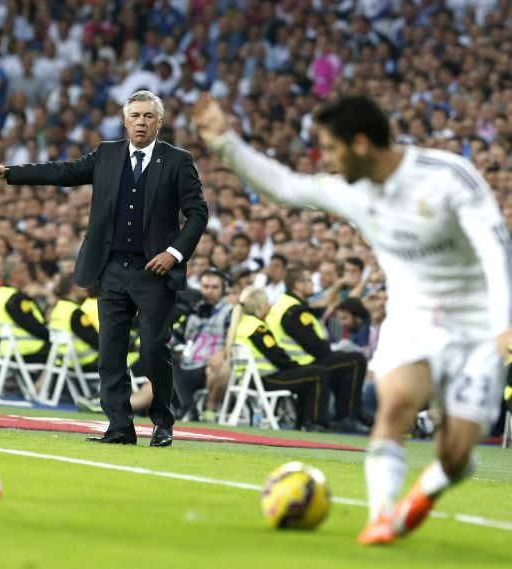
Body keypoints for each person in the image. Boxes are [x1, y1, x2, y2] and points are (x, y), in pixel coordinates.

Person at [194, 93, 512, 545]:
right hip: (413, 319)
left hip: (478, 327)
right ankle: (383, 517)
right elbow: (284, 186)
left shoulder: (447, 177)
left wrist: (503, 324)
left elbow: (494, 247)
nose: (326, 158)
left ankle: (429, 488)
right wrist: (225, 142)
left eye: (331, 147)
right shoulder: (352, 190)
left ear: (361, 144)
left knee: (456, 454)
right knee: (397, 404)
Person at [0, 89, 208, 447]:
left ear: (160, 122)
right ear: (125, 121)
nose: (141, 122)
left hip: (154, 272)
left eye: (148, 116)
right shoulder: (107, 154)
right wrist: (9, 173)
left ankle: (162, 422)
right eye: (135, 116)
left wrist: (174, 253)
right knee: (110, 351)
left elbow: (197, 213)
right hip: (111, 269)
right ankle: (120, 427)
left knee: (153, 349)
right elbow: (63, 171)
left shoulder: (177, 160)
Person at [266, 267, 368, 433]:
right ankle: (347, 417)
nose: (313, 285)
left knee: (343, 359)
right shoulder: (295, 310)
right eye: (309, 281)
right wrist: (332, 353)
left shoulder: (285, 303)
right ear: (298, 285)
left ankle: (345, 414)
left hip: (295, 361)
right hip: (300, 363)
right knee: (356, 361)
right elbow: (314, 346)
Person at [227, 286, 331, 431]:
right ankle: (314, 422)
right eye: (267, 302)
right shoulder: (256, 327)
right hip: (265, 379)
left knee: (310, 374)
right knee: (318, 373)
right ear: (260, 305)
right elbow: (277, 357)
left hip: (249, 379)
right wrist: (298, 367)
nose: (269, 306)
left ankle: (303, 422)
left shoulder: (242, 324)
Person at [172, 268, 233, 421]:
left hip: (210, 367)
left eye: (215, 287)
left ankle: (204, 410)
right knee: (163, 358)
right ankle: (118, 406)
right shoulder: (191, 312)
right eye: (206, 287)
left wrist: (223, 353)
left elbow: (233, 341)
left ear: (223, 289)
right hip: (186, 365)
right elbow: (175, 339)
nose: (209, 291)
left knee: (220, 367)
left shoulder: (230, 312)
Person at [0, 255, 50, 367]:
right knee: (64, 353)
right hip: (27, 349)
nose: (27, 274)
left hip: (8, 350)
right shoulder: (16, 298)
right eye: (23, 271)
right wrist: (50, 336)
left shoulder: (1, 293)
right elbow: (32, 325)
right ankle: (43, 384)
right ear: (14, 275)